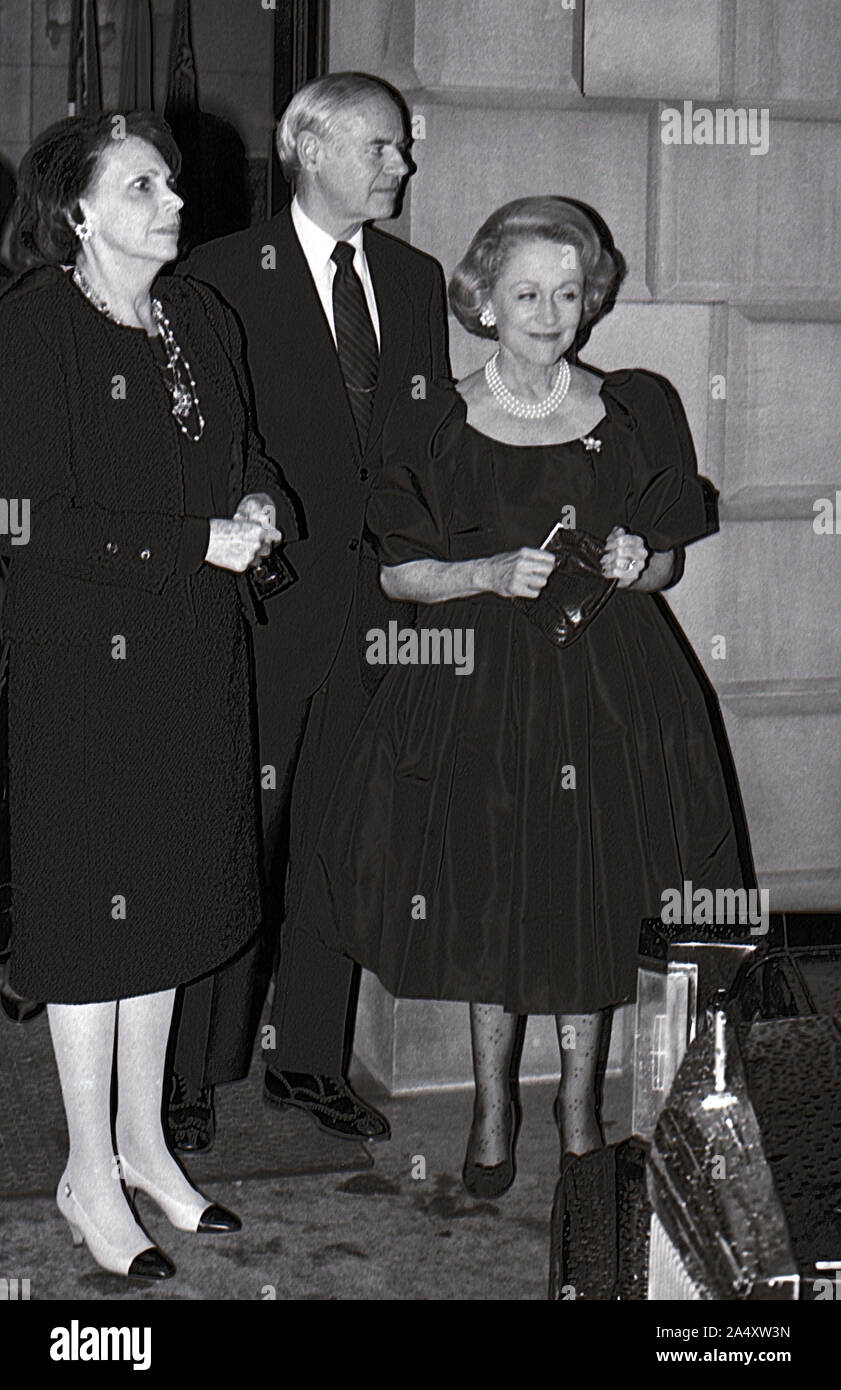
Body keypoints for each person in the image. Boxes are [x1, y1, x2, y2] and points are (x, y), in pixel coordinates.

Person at [298, 196, 756, 1197]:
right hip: (478, 691)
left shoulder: (634, 409)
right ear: (483, 301)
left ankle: (579, 1105)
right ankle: (493, 1103)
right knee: (491, 900)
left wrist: (641, 559)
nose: (549, 312)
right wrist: (486, 572)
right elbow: (395, 575)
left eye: (566, 292)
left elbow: (664, 563)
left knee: (590, 899)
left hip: (608, 687)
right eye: (525, 293)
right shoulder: (436, 419)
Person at [0, 110, 298, 1280]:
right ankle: (84, 1168)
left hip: (192, 653)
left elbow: (246, 452)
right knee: (92, 918)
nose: (173, 201)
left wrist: (262, 505)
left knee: (168, 896)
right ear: (76, 211)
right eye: (141, 186)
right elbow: (25, 519)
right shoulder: (33, 328)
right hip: (85, 661)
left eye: (170, 182)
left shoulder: (200, 314)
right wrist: (197, 543)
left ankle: (141, 1142)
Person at [166, 71, 451, 1150]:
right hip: (262, 611)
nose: (400, 165)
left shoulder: (416, 280)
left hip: (381, 613)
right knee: (236, 834)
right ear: (309, 147)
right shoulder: (221, 276)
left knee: (341, 837)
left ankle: (311, 1058)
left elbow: (422, 451)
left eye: (401, 148)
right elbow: (198, 439)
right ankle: (195, 1067)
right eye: (381, 146)